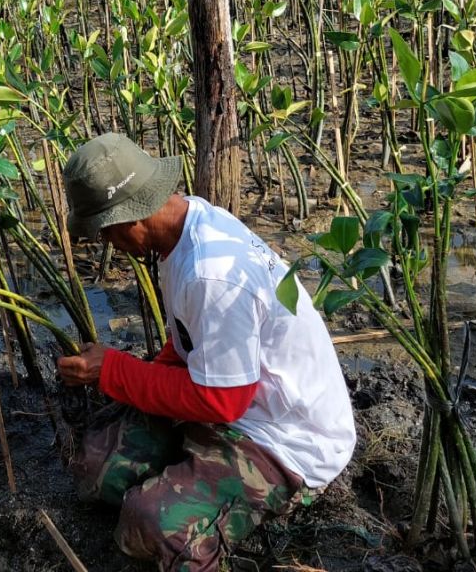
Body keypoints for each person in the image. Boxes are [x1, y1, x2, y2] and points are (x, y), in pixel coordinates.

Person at [56, 133, 356, 571]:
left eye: (105, 234)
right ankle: (191, 478)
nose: (109, 246)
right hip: (236, 404)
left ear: (128, 220)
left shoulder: (210, 275)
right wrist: (129, 376)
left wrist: (114, 372)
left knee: (150, 524)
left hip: (285, 439)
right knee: (97, 467)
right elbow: (189, 344)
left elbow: (222, 401)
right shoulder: (181, 229)